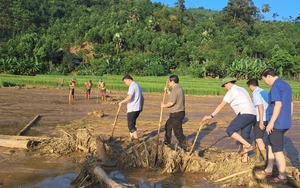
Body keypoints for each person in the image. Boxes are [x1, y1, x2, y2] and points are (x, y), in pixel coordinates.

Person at [202, 76, 256, 164]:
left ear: (229, 83)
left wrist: (211, 116)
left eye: (225, 86)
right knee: (245, 135)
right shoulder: (242, 89)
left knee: (230, 130)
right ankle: (245, 159)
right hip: (253, 114)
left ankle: (248, 146)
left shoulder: (232, 91)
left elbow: (221, 105)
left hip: (244, 113)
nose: (225, 88)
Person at [256, 68, 293, 184]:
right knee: (270, 145)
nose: (266, 83)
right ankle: (269, 169)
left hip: (277, 123)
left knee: (277, 150)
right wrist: (288, 118)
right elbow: (291, 104)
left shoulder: (276, 86)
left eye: (265, 80)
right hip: (284, 121)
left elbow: (278, 105)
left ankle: (282, 176)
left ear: (269, 76)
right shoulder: (286, 85)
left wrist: (271, 122)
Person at [246, 78, 269, 167]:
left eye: (249, 87)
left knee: (259, 138)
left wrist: (260, 120)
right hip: (268, 118)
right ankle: (257, 157)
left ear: (251, 86)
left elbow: (260, 106)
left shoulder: (256, 93)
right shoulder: (264, 91)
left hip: (261, 118)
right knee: (257, 137)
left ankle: (265, 160)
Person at [161, 75, 187, 150]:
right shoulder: (179, 88)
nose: (168, 83)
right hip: (178, 113)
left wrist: (164, 105)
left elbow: (171, 103)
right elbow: (175, 97)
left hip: (176, 113)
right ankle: (167, 143)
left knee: (178, 132)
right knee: (168, 126)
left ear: (172, 81)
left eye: (169, 82)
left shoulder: (176, 90)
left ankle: (184, 147)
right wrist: (168, 92)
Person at [119, 75, 144, 142]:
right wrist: (141, 106)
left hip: (132, 109)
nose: (125, 84)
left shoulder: (132, 86)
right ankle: (131, 138)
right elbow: (142, 98)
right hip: (137, 108)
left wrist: (122, 102)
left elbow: (130, 97)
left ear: (129, 80)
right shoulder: (138, 86)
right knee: (132, 123)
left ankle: (136, 139)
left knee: (130, 125)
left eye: (125, 82)